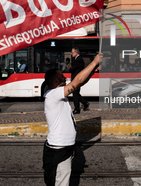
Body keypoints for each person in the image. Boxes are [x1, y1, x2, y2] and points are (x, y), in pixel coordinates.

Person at [43, 53, 102, 186]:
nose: (65, 77)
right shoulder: (53, 94)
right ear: (56, 81)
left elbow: (79, 83)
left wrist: (92, 72)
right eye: (62, 77)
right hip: (59, 149)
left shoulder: (58, 94)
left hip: (64, 148)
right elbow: (77, 81)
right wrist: (93, 63)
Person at [69, 47, 89, 114]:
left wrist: (69, 68)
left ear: (76, 52)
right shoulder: (77, 59)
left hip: (77, 79)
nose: (71, 53)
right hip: (77, 79)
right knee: (76, 93)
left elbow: (72, 69)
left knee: (75, 94)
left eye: (72, 52)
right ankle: (85, 103)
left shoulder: (78, 60)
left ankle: (77, 109)